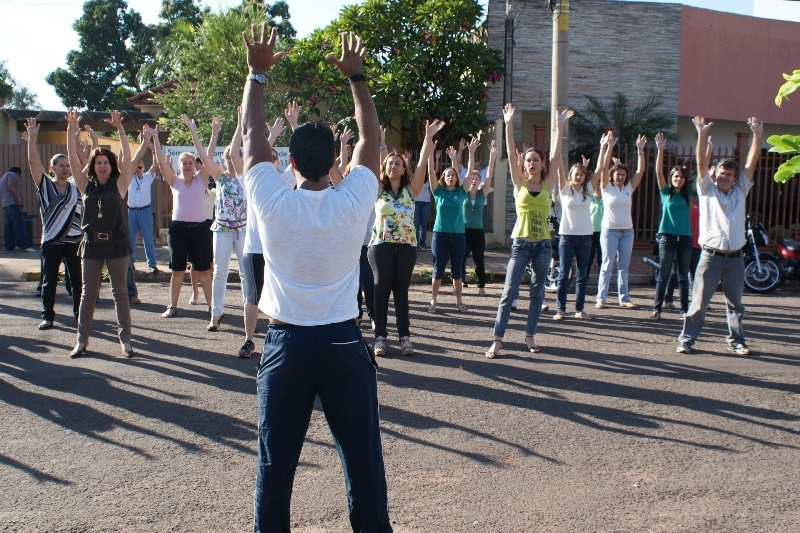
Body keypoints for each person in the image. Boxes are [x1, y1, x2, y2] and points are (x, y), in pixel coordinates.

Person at [241, 25, 392, 533]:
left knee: (274, 468)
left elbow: (252, 136)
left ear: (288, 161)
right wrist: (358, 76)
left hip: (285, 346)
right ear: (335, 160)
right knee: (364, 467)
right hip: (344, 343)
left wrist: (256, 73)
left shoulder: (272, 199)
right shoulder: (353, 202)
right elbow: (371, 139)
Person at [677, 116, 763, 355]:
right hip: (710, 257)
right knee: (699, 303)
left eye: (729, 174)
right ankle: (686, 340)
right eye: (722, 173)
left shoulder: (741, 192)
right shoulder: (706, 190)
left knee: (736, 305)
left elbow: (752, 162)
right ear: (716, 175)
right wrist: (702, 135)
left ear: (735, 178)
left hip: (735, 259)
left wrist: (757, 135)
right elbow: (701, 163)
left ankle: (737, 341)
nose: (724, 177)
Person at [485, 104, 563, 358]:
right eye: (528, 160)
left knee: (537, 293)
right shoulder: (518, 183)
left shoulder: (549, 184)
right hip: (520, 244)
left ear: (542, 163)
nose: (531, 163)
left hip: (542, 245)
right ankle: (497, 339)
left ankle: (529, 336)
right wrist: (509, 123)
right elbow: (509, 149)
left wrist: (559, 128)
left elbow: (558, 154)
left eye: (536, 160)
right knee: (509, 292)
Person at [369, 120, 443, 356]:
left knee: (401, 291)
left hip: (406, 246)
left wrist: (428, 138)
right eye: (390, 163)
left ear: (403, 168)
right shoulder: (378, 189)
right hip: (380, 245)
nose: (394, 166)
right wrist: (381, 144)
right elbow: (379, 157)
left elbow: (421, 164)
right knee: (381, 288)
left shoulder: (411, 190)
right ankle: (380, 336)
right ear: (385, 167)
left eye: (398, 163)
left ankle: (404, 337)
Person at [65, 110, 134, 358]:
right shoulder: (85, 185)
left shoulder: (120, 183)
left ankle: (125, 341)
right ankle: (81, 341)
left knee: (120, 293)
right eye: (98, 162)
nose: (102, 165)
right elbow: (73, 159)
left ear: (110, 165)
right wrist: (71, 131)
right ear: (93, 166)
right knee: (88, 294)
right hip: (91, 244)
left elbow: (127, 159)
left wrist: (121, 131)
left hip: (117, 244)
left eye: (106, 161)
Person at [185, 114, 250, 336]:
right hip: (222, 229)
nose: (231, 160)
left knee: (245, 273)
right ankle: (215, 314)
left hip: (242, 229)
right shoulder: (220, 176)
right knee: (220, 272)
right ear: (223, 161)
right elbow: (202, 154)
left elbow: (239, 151)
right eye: (227, 158)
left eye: (234, 157)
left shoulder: (245, 176)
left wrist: (240, 126)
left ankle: (247, 315)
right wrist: (195, 132)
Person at [145, 124, 213, 318]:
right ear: (180, 166)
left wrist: (200, 132)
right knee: (177, 271)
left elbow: (207, 155)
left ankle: (212, 308)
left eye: (191, 162)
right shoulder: (174, 180)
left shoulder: (202, 179)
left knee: (204, 271)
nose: (188, 165)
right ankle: (172, 306)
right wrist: (156, 138)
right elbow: (159, 160)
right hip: (178, 230)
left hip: (200, 229)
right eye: (184, 163)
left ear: (195, 164)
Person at [23, 119, 83, 330]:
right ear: (52, 168)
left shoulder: (77, 186)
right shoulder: (45, 186)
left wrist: (73, 135)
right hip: (51, 241)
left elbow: (79, 163)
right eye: (61, 165)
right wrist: (32, 138)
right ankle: (47, 316)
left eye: (68, 165)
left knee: (76, 281)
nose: (66, 168)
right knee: (49, 281)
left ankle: (80, 316)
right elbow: (32, 163)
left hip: (74, 240)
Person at [552, 112, 603, 321]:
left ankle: (580, 309)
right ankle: (560, 309)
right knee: (564, 275)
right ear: (571, 176)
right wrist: (560, 126)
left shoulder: (588, 191)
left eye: (582, 173)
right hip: (566, 236)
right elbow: (557, 161)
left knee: (583, 275)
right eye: (576, 173)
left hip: (585, 238)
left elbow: (599, 170)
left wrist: (605, 147)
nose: (579, 176)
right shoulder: (565, 190)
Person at [595, 132, 647, 309]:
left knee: (624, 267)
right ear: (613, 176)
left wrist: (640, 150)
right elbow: (602, 169)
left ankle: (624, 298)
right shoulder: (606, 187)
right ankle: (601, 298)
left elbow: (640, 171)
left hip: (627, 232)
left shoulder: (629, 189)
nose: (621, 177)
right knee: (607, 264)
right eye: (618, 174)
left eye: (623, 175)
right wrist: (609, 146)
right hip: (609, 231)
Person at [425, 138, 476, 313]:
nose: (451, 177)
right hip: (440, 235)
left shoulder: (461, 192)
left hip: (458, 236)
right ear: (444, 178)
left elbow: (469, 174)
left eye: (453, 175)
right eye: (448, 175)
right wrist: (431, 152)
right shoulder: (438, 192)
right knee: (438, 270)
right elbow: (431, 171)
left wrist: (471, 152)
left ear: (456, 178)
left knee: (457, 271)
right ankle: (433, 301)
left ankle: (459, 301)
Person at [650, 132, 695, 320]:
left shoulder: (689, 194)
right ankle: (657, 309)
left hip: (684, 238)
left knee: (683, 276)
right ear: (672, 178)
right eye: (676, 176)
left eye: (681, 177)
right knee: (664, 274)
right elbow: (659, 172)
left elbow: (700, 176)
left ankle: (684, 310)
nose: (679, 179)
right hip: (667, 237)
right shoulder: (666, 192)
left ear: (685, 180)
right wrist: (660, 150)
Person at [126, 132, 159, 305]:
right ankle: (130, 263)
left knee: (148, 239)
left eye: (140, 167)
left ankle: (152, 264)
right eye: (136, 167)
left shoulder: (147, 177)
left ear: (143, 168)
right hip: (131, 211)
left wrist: (154, 148)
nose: (138, 170)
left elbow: (155, 165)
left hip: (145, 211)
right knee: (130, 240)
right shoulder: (129, 178)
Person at [461, 140, 496, 295]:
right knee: (461, 256)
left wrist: (492, 158)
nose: (474, 181)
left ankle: (481, 285)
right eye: (472, 179)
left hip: (477, 230)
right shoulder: (463, 193)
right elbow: (462, 170)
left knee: (478, 259)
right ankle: (460, 280)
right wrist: (471, 152)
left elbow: (489, 175)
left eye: (476, 179)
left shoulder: (483, 193)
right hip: (463, 229)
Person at [1, 166, 36, 252]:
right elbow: (10, 185)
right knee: (19, 225)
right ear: (18, 173)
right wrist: (19, 197)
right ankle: (25, 245)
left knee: (8, 227)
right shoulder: (12, 174)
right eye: (19, 176)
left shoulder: (2, 178)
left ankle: (9, 246)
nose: (18, 178)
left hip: (6, 205)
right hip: (14, 204)